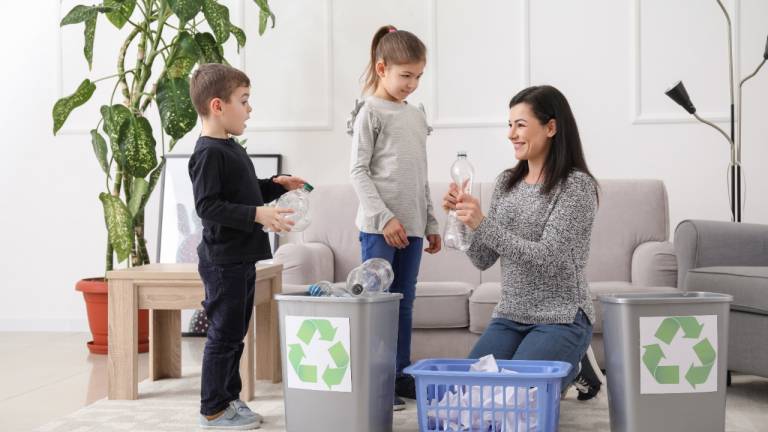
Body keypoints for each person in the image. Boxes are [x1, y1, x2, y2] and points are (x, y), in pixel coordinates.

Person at [443, 84, 602, 399]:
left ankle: (574, 363)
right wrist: (461, 221)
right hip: (511, 314)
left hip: (561, 315)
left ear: (551, 127)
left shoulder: (576, 187)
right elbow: (483, 258)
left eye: (520, 125)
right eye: (509, 125)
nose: (511, 134)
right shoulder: (507, 182)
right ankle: (572, 365)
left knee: (513, 398)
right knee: (468, 393)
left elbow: (548, 258)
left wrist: (483, 222)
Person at [189, 63, 308, 429]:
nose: (250, 108)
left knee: (235, 334)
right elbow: (208, 207)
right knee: (223, 335)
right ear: (217, 106)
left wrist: (275, 185)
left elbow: (245, 191)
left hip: (239, 258)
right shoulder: (208, 152)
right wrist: (258, 215)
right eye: (244, 100)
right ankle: (213, 408)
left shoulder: (229, 147)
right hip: (222, 261)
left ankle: (229, 399)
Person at [347, 25, 441, 411]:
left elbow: (420, 175)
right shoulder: (370, 111)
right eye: (406, 75)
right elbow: (358, 171)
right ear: (382, 67)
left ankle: (400, 374)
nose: (413, 84)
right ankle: (377, 379)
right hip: (379, 229)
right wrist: (384, 218)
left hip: (414, 228)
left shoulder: (416, 117)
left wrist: (431, 222)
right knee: (378, 302)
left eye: (419, 76)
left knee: (403, 303)